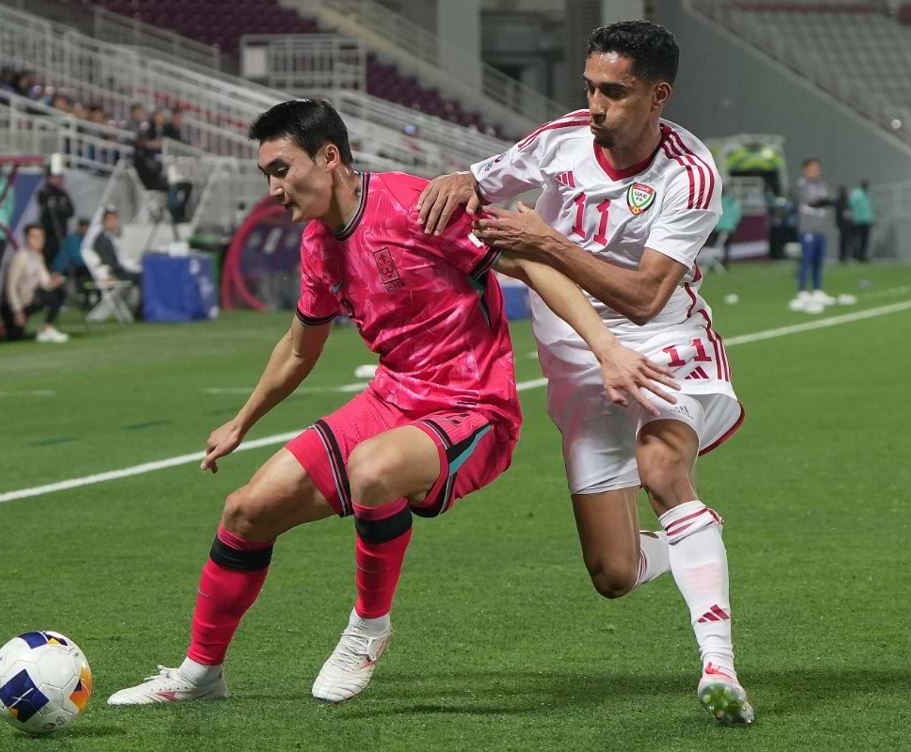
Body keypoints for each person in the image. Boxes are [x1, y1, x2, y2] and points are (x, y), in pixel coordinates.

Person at [107, 99, 675, 707]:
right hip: (392, 398)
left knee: (373, 469)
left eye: (281, 169)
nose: (273, 189)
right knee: (246, 511)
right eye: (266, 174)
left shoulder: (415, 205)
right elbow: (299, 347)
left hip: (473, 408)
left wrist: (607, 349)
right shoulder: (317, 244)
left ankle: (368, 630)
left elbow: (534, 265)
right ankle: (200, 674)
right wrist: (242, 421)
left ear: (329, 157)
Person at [417, 21, 755, 725]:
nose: (596, 105)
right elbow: (475, 183)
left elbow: (645, 295)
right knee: (613, 573)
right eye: (590, 88)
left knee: (661, 466)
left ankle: (718, 666)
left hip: (663, 343)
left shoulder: (689, 174)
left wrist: (545, 241)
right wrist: (455, 183)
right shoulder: (560, 140)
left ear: (658, 96)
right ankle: (692, 538)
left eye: (615, 92)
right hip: (575, 361)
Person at [0, 224, 69, 343]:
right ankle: (4, 329)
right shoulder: (20, 256)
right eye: (34, 236)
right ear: (26, 238)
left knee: (59, 293)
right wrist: (17, 310)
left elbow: (46, 283)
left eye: (40, 236)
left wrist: (54, 281)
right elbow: (10, 287)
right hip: (13, 305)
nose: (38, 240)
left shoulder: (38, 257)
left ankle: (46, 328)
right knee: (15, 336)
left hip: (29, 301)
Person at [790, 158, 836, 312]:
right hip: (807, 229)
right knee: (806, 260)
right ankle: (802, 291)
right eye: (813, 168)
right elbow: (812, 202)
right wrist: (826, 201)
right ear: (805, 169)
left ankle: (817, 290)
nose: (816, 171)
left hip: (820, 228)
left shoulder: (822, 185)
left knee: (818, 261)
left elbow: (831, 199)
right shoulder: (801, 185)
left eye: (818, 168)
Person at [36, 169, 76, 265]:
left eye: (59, 177)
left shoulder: (63, 194)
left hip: (61, 232)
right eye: (55, 177)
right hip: (48, 232)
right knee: (47, 258)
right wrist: (59, 208)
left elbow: (71, 211)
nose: (58, 180)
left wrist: (58, 208)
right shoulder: (44, 192)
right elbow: (47, 208)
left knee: (59, 258)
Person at [847, 181, 875, 262]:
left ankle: (861, 255)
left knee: (863, 239)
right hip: (858, 220)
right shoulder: (857, 194)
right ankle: (857, 254)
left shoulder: (865, 194)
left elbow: (869, 208)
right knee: (859, 239)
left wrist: (872, 219)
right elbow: (851, 205)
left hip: (864, 220)